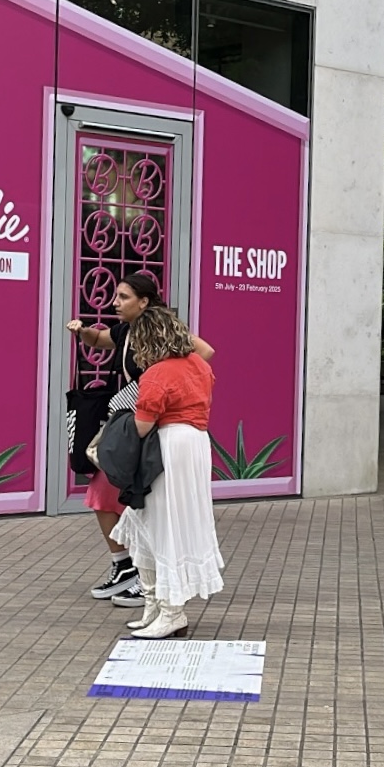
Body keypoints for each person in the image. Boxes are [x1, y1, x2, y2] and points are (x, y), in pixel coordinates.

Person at [64, 273, 213, 609]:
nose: (115, 303)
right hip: (136, 422)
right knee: (106, 494)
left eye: (123, 297)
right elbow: (101, 340)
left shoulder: (161, 330)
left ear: (144, 302)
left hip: (152, 427)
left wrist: (162, 387)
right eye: (116, 296)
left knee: (136, 501)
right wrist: (83, 331)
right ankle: (128, 568)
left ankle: (147, 579)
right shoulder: (126, 332)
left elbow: (204, 352)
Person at [111, 304, 222, 639]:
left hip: (167, 447)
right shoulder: (198, 365)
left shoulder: (157, 373)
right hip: (195, 444)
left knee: (158, 523)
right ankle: (157, 607)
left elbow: (143, 426)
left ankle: (169, 611)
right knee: (162, 521)